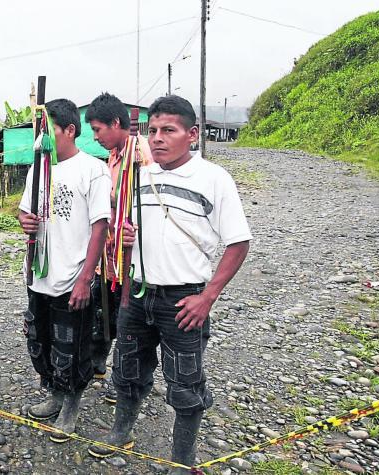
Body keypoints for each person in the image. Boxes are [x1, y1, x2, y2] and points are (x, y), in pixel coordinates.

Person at [88, 95, 251, 473]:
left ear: (192, 135)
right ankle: (121, 432)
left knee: (185, 385)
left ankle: (182, 460)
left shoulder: (213, 179)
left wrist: (206, 298)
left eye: (169, 131)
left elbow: (239, 242)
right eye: (153, 130)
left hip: (183, 300)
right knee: (126, 372)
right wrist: (127, 281)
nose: (158, 138)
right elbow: (132, 233)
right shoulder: (140, 177)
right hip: (138, 294)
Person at [18, 99, 110, 441]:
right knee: (40, 340)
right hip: (40, 275)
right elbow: (24, 213)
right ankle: (55, 395)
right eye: (37, 132)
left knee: (72, 346)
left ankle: (71, 404)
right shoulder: (37, 170)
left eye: (48, 131)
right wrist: (24, 221)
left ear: (70, 130)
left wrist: (87, 278)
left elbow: (100, 226)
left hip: (74, 277)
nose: (40, 139)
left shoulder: (92, 169)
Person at [84, 92, 153, 387]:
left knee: (130, 322)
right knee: (103, 312)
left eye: (98, 130)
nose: (95, 137)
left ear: (115, 123)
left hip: (133, 257)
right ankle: (97, 364)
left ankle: (125, 378)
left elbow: (150, 206)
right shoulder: (113, 155)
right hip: (109, 255)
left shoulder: (143, 157)